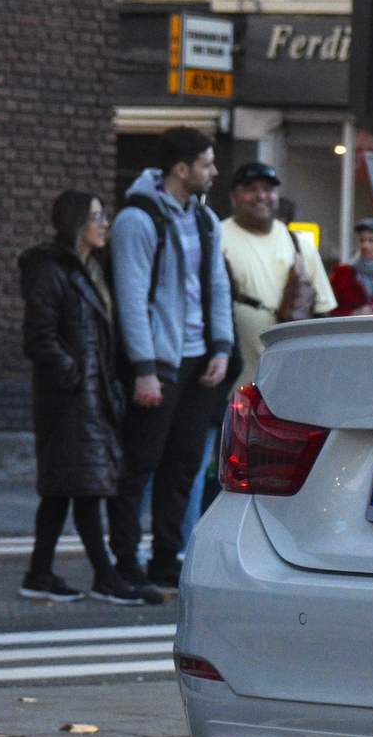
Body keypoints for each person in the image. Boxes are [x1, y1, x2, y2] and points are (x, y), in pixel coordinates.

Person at [110, 126, 231, 599]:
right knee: (139, 463)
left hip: (201, 362)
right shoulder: (137, 221)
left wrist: (220, 347)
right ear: (181, 169)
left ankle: (165, 559)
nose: (213, 171)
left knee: (183, 464)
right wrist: (144, 369)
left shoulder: (205, 220)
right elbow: (131, 299)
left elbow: (217, 286)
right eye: (206, 163)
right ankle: (124, 561)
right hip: (158, 364)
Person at [17, 192, 129, 603]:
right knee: (83, 488)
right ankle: (104, 575)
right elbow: (39, 337)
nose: (104, 224)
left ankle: (39, 573)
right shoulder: (50, 269)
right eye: (97, 216)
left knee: (66, 488)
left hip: (87, 395)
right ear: (76, 221)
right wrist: (74, 374)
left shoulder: (87, 269)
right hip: (69, 398)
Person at [220, 162, 334, 390]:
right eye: (251, 188)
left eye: (268, 189)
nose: (261, 195)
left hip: (289, 383)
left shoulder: (300, 244)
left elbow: (323, 313)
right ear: (234, 198)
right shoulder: (215, 238)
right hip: (227, 384)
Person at [330, 219, 373, 314]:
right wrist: (354, 313)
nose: (365, 245)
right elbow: (330, 309)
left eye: (372, 241)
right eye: (362, 240)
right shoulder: (343, 274)